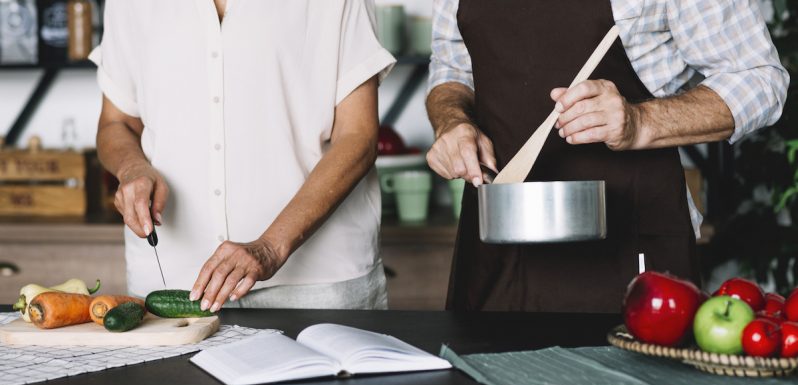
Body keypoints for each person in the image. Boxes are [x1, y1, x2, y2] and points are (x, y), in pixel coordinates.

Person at [426, 0, 789, 312]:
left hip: (629, 252)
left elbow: (759, 78)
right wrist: (451, 121)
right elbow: (453, 68)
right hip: (494, 251)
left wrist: (640, 121)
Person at [92, 0, 396, 311]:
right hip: (173, 283)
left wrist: (270, 246)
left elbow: (358, 136)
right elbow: (116, 122)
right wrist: (131, 168)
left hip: (319, 280)